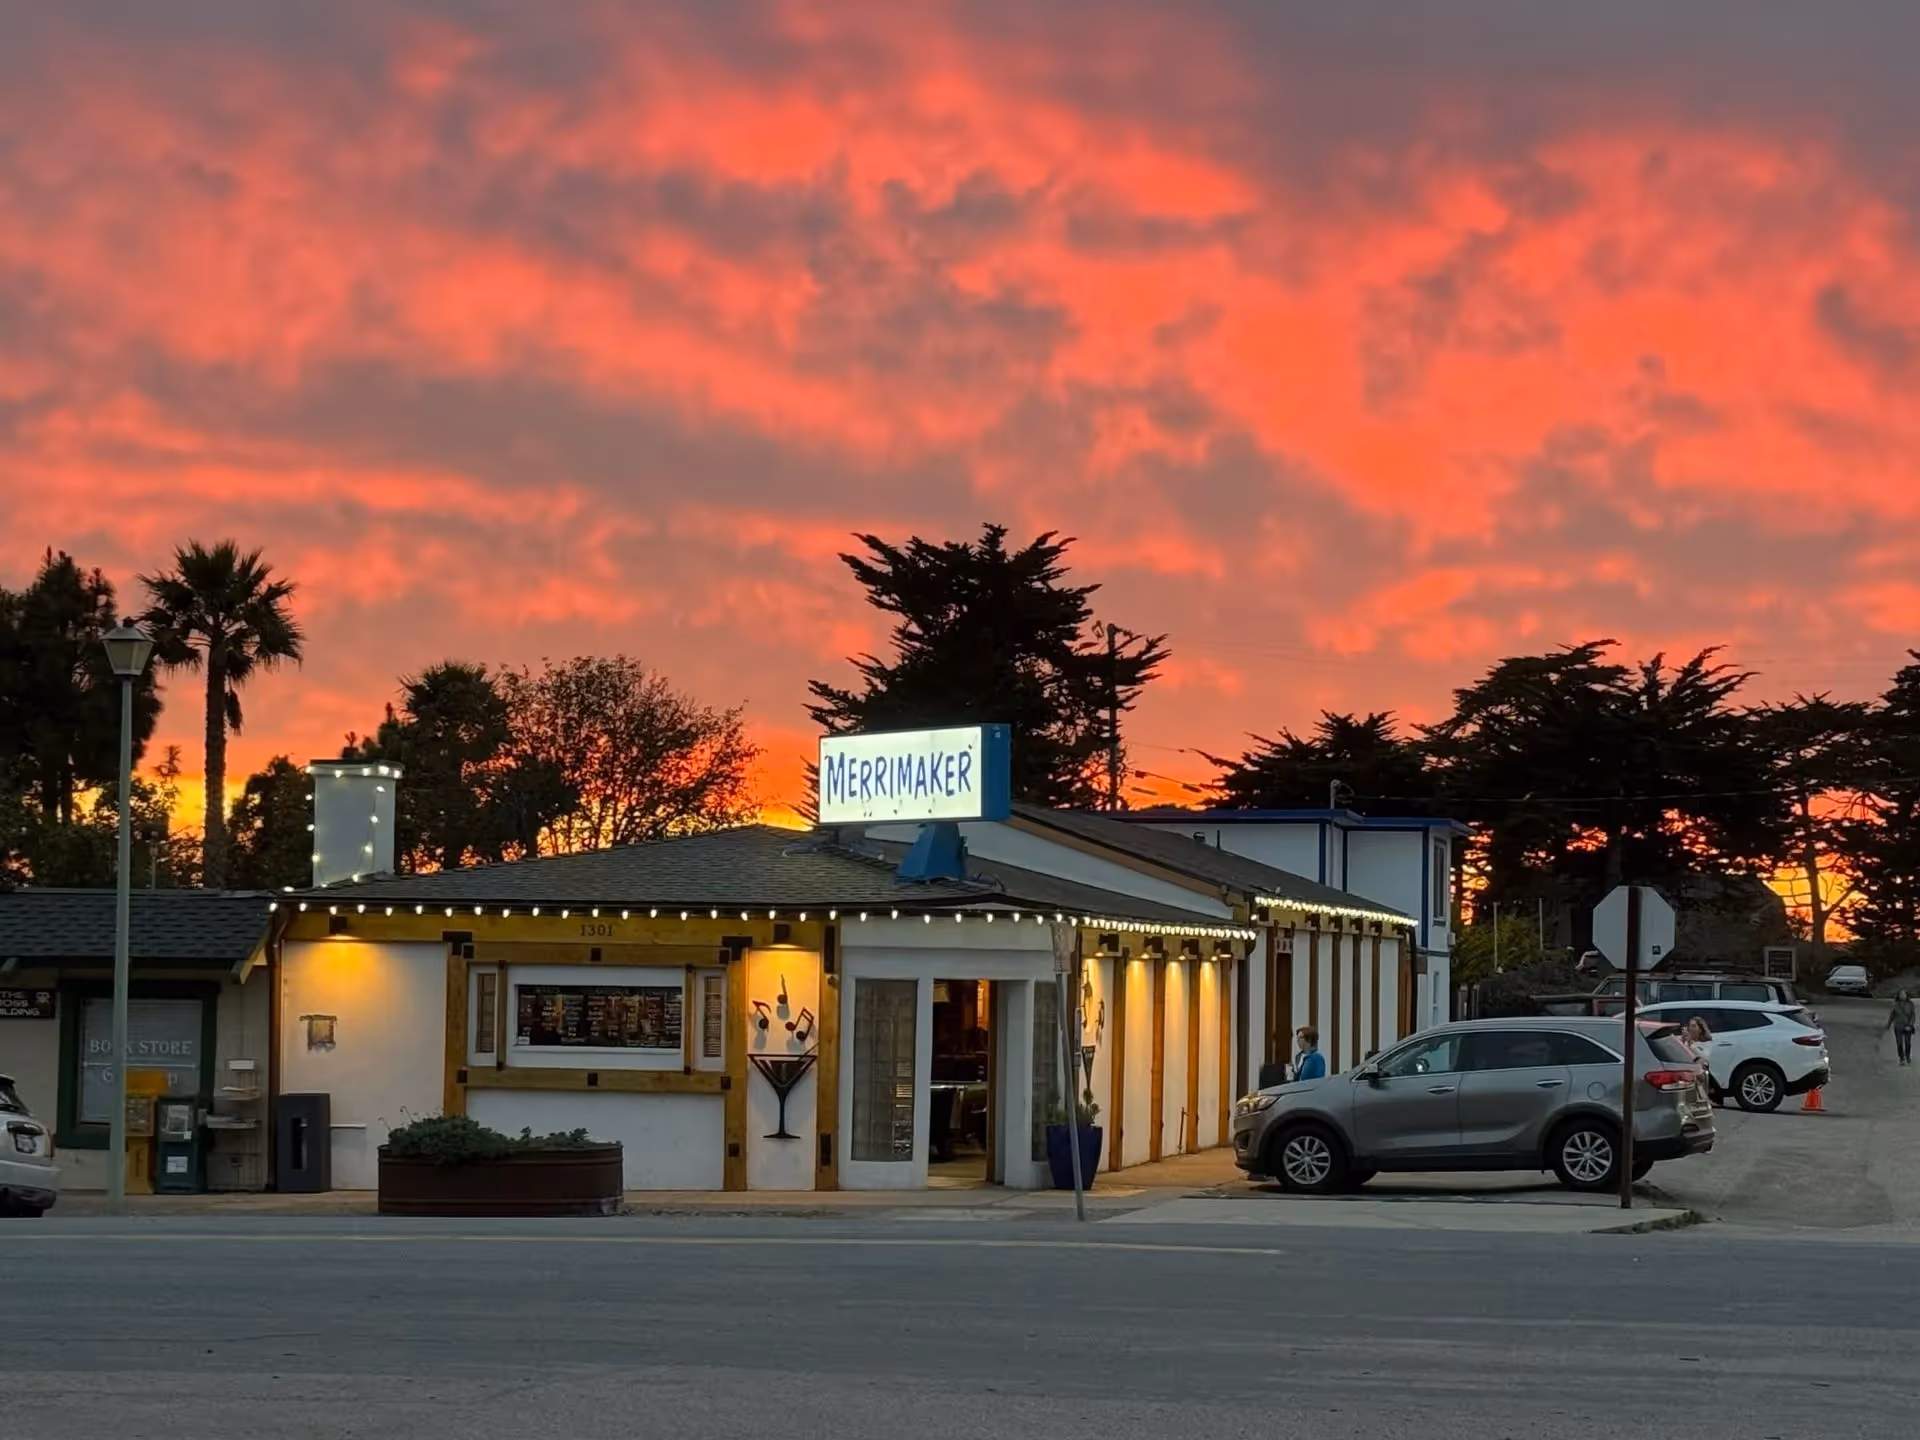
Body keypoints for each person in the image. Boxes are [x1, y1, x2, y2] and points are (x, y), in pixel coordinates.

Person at [1888, 990, 1916, 1067]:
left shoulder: (1910, 1004)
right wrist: (1888, 1024)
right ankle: (1901, 1058)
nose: (1903, 995)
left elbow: (1913, 1016)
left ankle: (1907, 1056)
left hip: (1907, 1026)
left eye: (1904, 994)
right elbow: (1892, 1015)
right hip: (1898, 1026)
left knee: (1907, 1043)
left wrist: (1910, 1025)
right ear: (1898, 995)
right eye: (1901, 994)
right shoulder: (1895, 1004)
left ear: (1907, 995)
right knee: (1899, 1043)